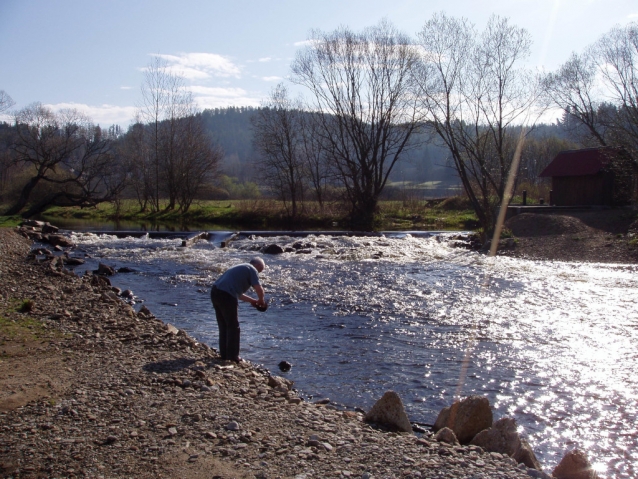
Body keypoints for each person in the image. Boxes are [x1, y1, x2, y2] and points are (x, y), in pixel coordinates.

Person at [210, 257, 266, 362]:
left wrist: (253, 301)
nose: (259, 273)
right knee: (233, 326)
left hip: (215, 292)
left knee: (223, 325)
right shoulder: (252, 269)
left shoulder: (240, 268)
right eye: (260, 271)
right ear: (257, 266)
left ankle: (224, 354)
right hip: (226, 295)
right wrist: (261, 300)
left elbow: (237, 294)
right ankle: (232, 356)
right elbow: (259, 289)